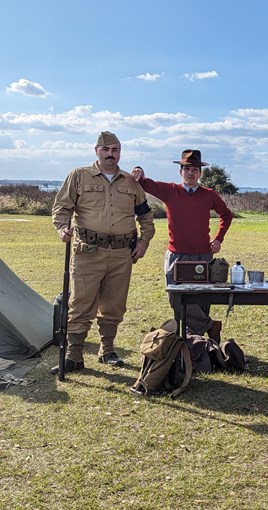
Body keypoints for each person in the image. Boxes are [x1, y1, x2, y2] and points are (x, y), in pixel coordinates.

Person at [51, 131, 155, 373]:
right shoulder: (79, 176)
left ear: (120, 152)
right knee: (80, 304)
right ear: (96, 151)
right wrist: (62, 228)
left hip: (121, 254)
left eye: (115, 150)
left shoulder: (130, 182)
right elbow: (62, 208)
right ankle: (74, 355)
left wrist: (143, 243)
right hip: (88, 252)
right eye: (106, 150)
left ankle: (107, 350)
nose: (111, 154)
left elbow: (146, 216)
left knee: (114, 305)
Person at [132, 150, 233, 339]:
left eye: (195, 169)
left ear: (200, 174)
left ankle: (194, 340)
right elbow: (144, 182)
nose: (191, 173)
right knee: (175, 295)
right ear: (180, 172)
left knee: (201, 298)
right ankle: (210, 327)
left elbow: (226, 215)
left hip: (202, 255)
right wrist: (139, 169)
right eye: (187, 169)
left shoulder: (209, 195)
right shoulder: (170, 191)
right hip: (176, 255)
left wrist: (218, 238)